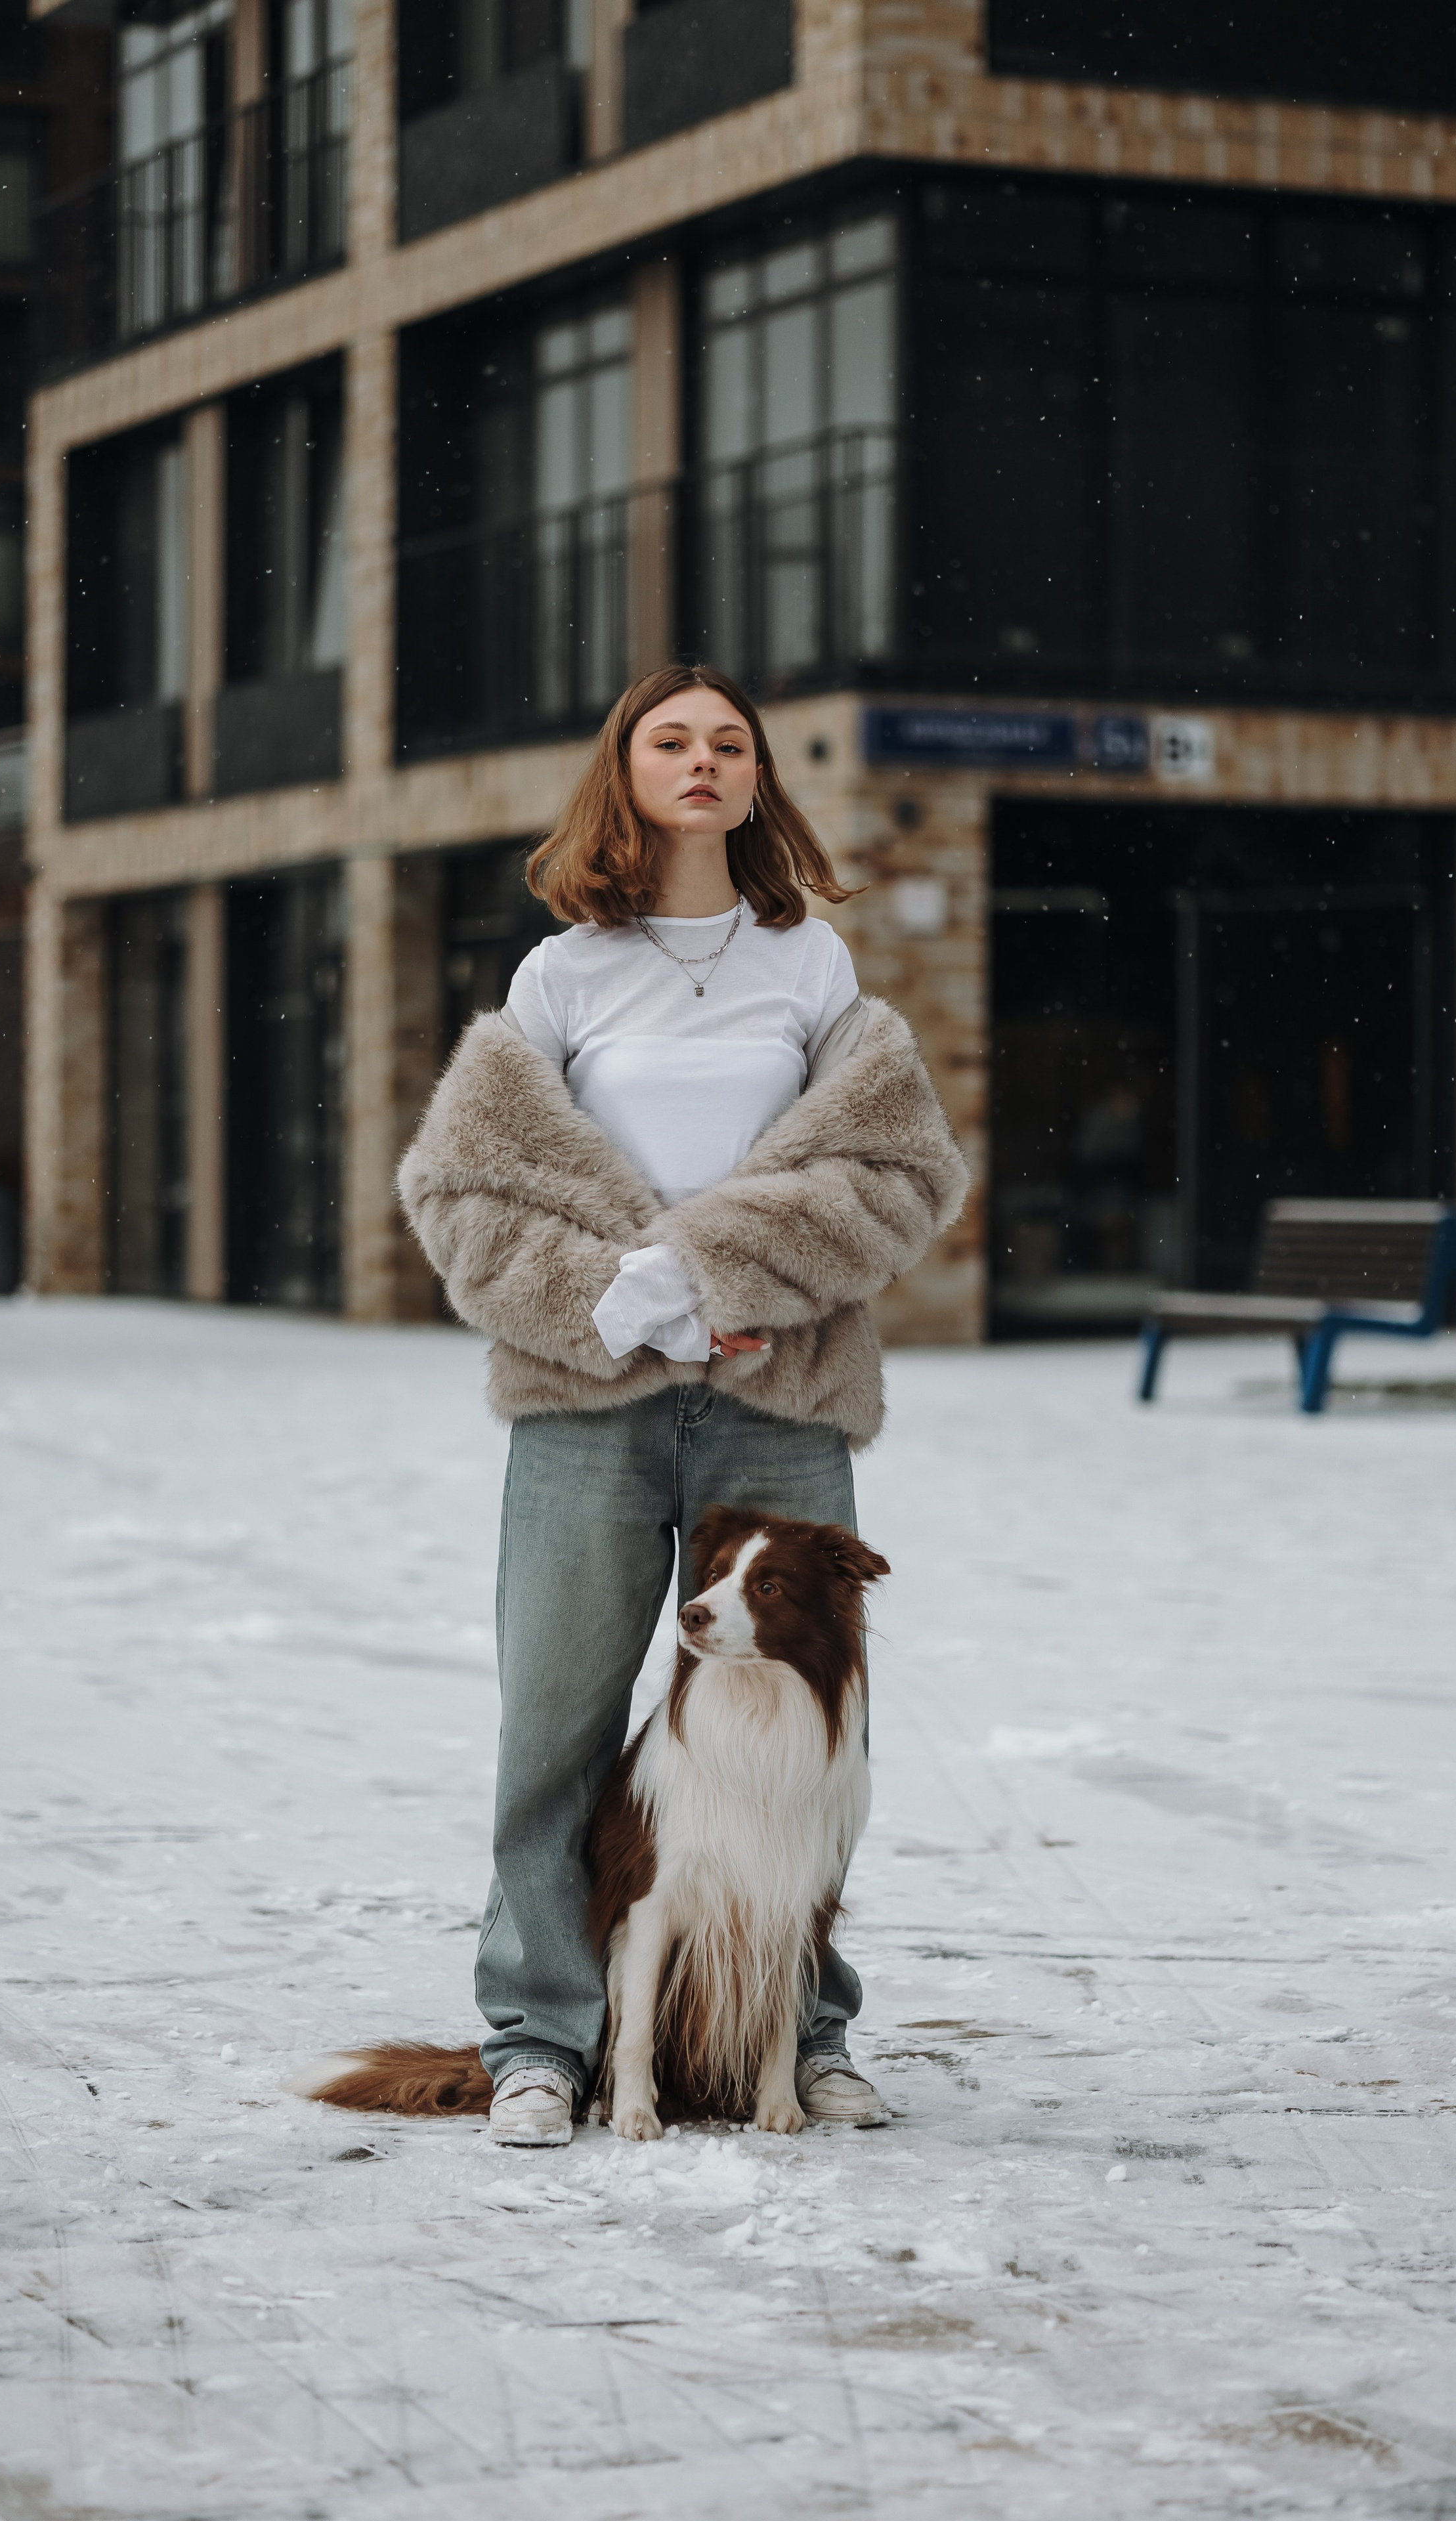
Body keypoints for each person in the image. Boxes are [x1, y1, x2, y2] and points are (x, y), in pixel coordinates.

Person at [398, 663, 968, 2145]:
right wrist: (619, 1298)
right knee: (559, 1726)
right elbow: (469, 1188)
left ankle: (805, 2027)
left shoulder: (811, 965)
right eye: (671, 740)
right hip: (589, 1402)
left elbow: (885, 1172)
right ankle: (541, 2037)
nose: (702, 761)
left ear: (757, 777)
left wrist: (718, 1269)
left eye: (729, 742)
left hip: (777, 1394)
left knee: (804, 1725)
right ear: (626, 771)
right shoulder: (560, 974)